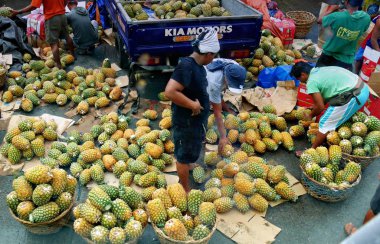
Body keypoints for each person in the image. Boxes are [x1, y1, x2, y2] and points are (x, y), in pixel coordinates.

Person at [164, 29, 220, 192]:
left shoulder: (198, 66)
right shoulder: (186, 67)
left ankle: (188, 164)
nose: (214, 58)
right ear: (208, 53)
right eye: (214, 55)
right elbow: (170, 91)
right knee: (182, 156)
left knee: (190, 149)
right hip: (185, 122)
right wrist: (193, 105)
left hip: (194, 122)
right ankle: (185, 188)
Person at [290, 62, 370, 152]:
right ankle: (327, 139)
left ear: (303, 74)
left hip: (354, 95)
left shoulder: (311, 82)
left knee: (324, 122)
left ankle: (311, 151)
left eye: (299, 79)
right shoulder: (320, 69)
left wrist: (310, 115)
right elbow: (327, 92)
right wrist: (315, 106)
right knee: (333, 117)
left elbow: (320, 107)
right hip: (362, 88)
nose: (301, 82)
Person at [11, 0, 75, 69]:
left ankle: (59, 65)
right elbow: (66, 1)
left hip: (51, 18)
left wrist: (18, 12)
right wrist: (60, 8)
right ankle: (73, 55)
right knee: (67, 36)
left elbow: (34, 6)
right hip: (62, 15)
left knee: (53, 43)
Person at [205, 59, 246, 153]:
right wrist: (223, 137)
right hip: (196, 80)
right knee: (200, 106)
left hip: (214, 84)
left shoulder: (236, 67)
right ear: (226, 78)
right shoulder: (214, 82)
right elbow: (217, 113)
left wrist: (227, 109)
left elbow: (218, 94)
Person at [317, 0, 371, 71]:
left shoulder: (337, 16)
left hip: (328, 56)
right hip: (346, 60)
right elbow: (363, 30)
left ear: (346, 2)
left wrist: (331, 9)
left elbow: (319, 20)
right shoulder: (366, 18)